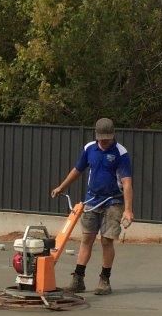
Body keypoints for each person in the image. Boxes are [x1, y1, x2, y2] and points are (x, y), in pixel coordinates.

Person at [49, 117, 134, 295]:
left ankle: (104, 280)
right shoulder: (89, 148)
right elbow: (77, 170)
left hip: (113, 201)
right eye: (101, 139)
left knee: (106, 240)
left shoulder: (120, 153)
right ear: (96, 136)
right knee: (86, 239)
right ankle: (78, 279)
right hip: (92, 200)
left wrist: (128, 210)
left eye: (107, 139)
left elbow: (127, 182)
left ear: (112, 136)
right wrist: (61, 187)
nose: (104, 142)